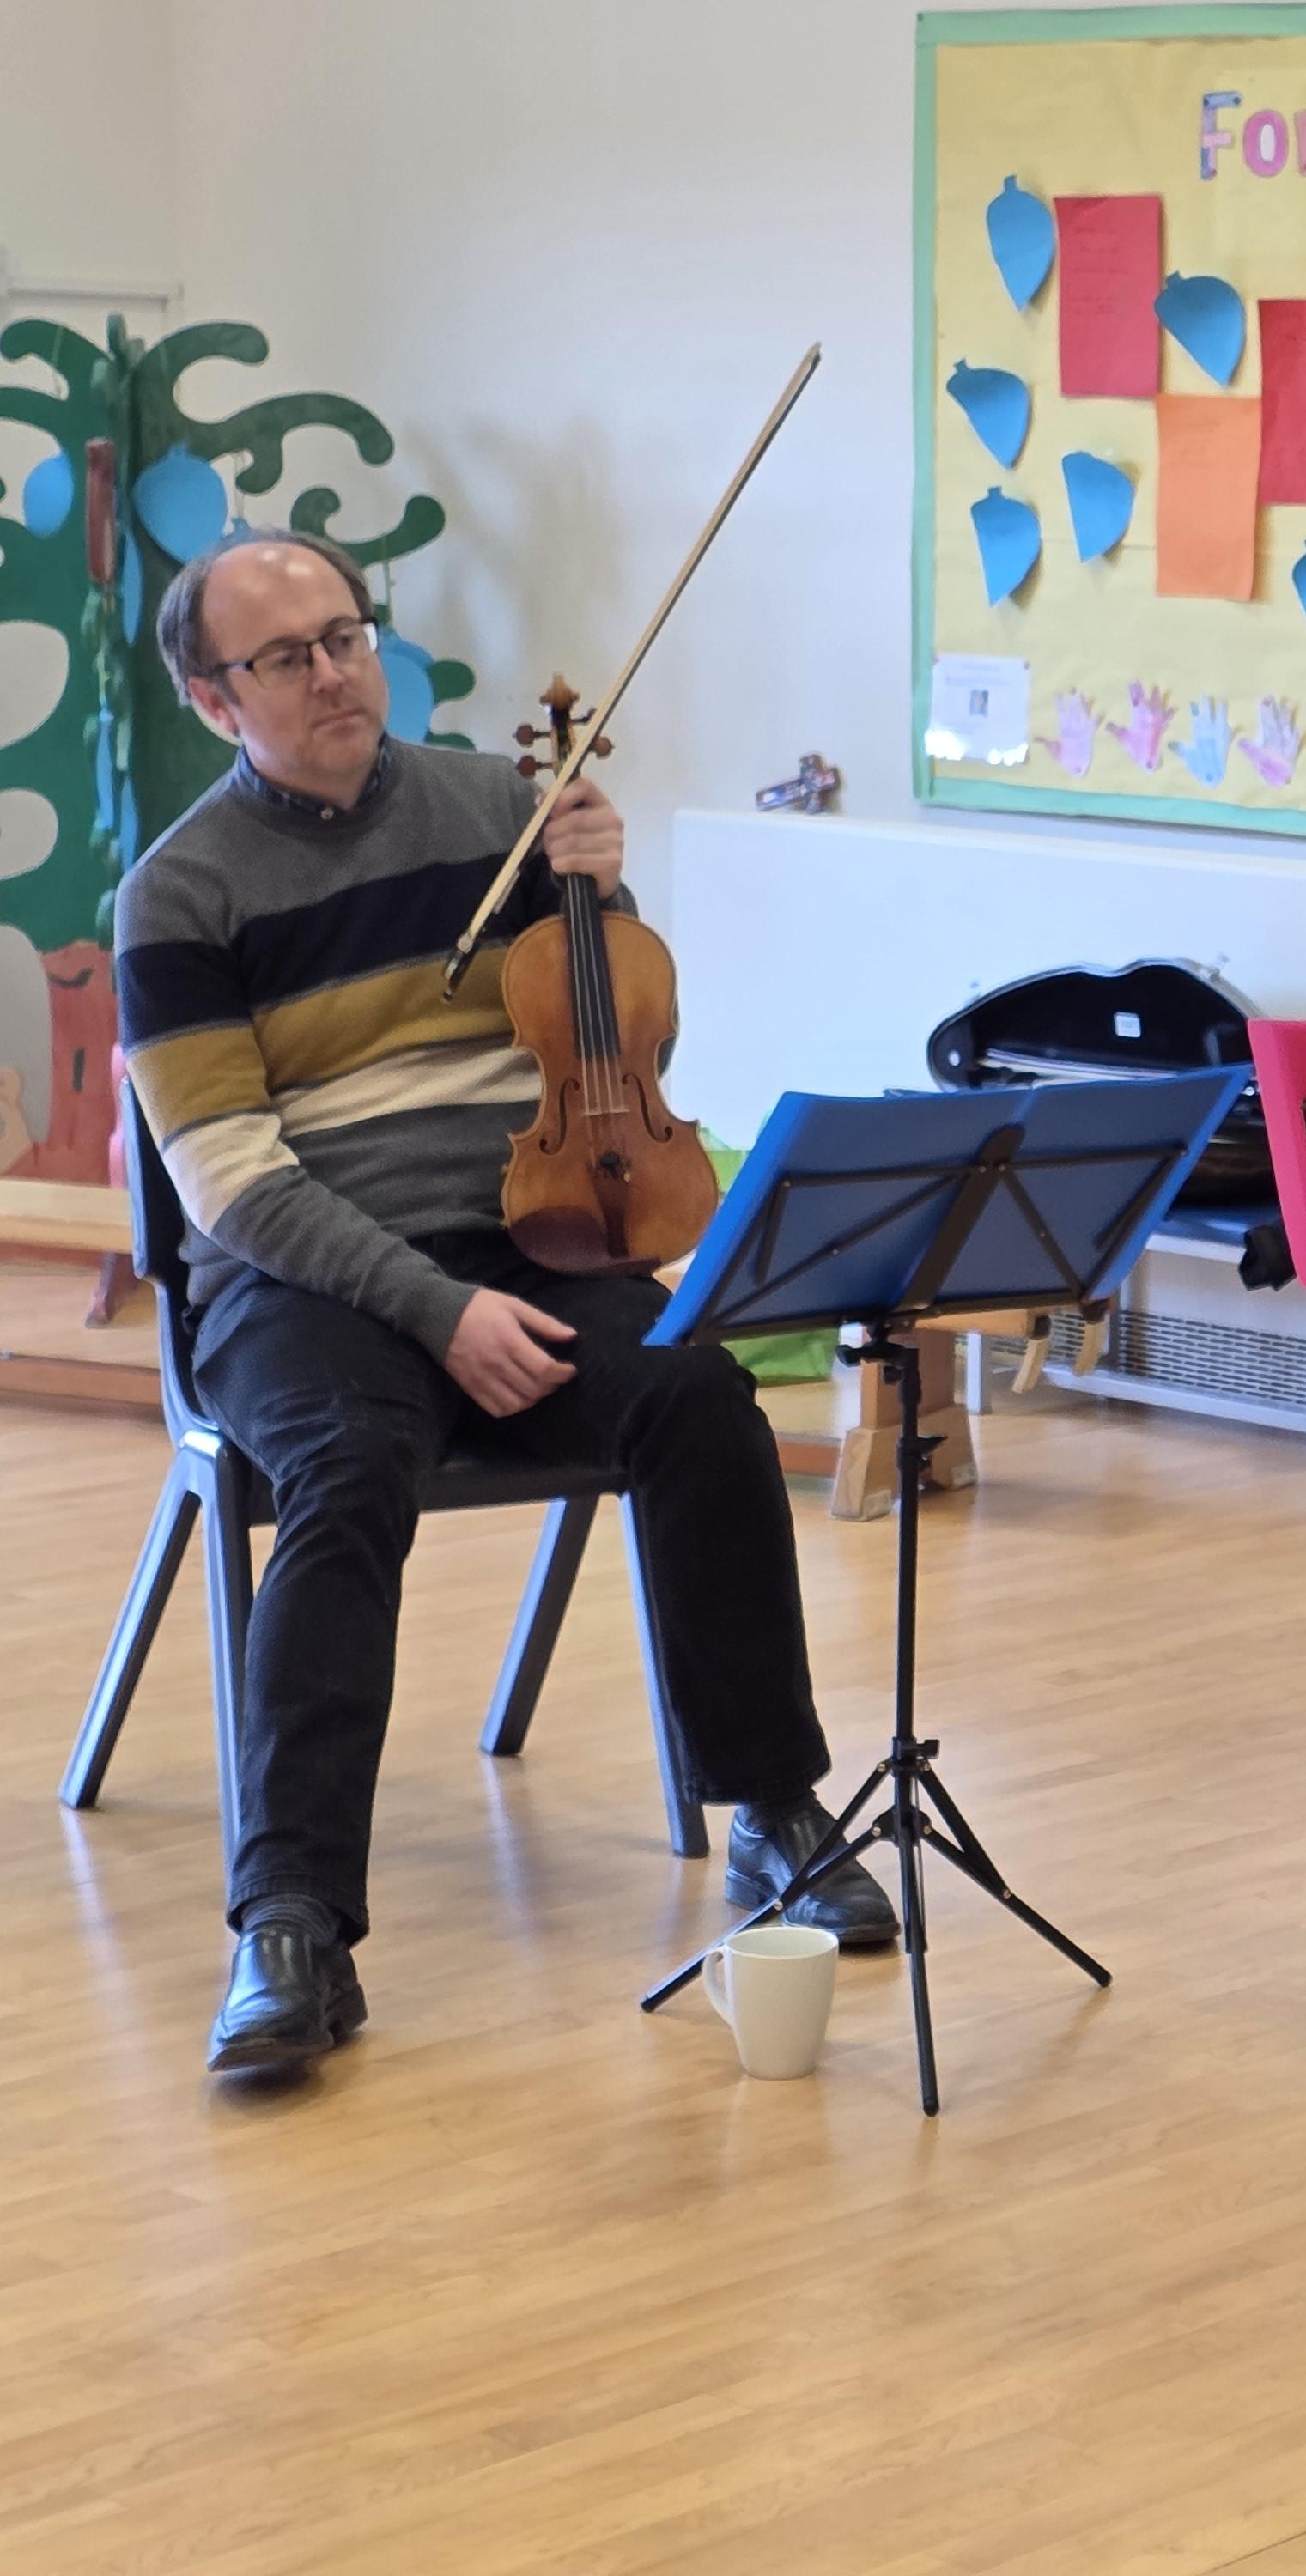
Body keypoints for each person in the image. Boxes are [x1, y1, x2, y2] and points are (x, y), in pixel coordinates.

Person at [117, 529, 896, 2081]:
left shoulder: (504, 815)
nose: (336, 674)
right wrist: (433, 1310)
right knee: (346, 1469)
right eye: (288, 657)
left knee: (702, 1398)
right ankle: (291, 1925)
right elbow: (233, 1188)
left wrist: (603, 896)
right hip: (303, 1281)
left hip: (531, 1238)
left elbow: (615, 1053)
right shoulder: (179, 895)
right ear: (215, 700)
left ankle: (771, 1806)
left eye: (347, 636)